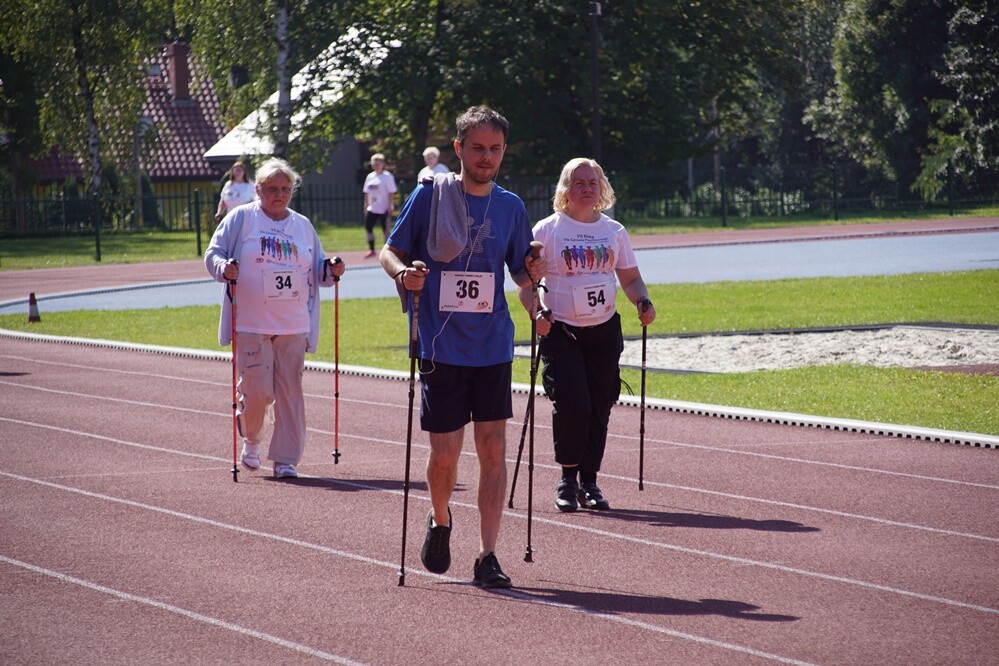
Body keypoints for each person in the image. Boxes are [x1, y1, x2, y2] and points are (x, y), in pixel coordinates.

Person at [379, 106, 547, 589]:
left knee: (493, 447)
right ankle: (440, 518)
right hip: (440, 343)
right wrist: (402, 273)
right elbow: (391, 250)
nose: (486, 157)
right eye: (477, 148)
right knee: (446, 454)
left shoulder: (512, 206)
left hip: (492, 345)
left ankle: (488, 554)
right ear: (458, 149)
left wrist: (534, 290)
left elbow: (519, 270)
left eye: (494, 149)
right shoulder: (430, 196)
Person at [519, 157, 656, 512]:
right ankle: (567, 479)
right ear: (565, 188)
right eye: (578, 182)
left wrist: (643, 300)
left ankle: (589, 481)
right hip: (562, 329)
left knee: (600, 405)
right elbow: (526, 285)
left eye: (591, 183)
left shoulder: (614, 232)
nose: (585, 188)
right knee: (573, 401)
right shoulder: (547, 230)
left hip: (604, 330)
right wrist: (536, 313)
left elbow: (629, 278)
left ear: (601, 189)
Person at [205, 157, 345, 479]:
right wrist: (224, 269)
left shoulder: (302, 225)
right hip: (251, 322)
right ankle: (252, 438)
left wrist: (332, 269)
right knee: (258, 392)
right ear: (258, 190)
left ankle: (286, 460)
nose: (279, 195)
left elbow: (318, 269)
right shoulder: (241, 219)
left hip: (294, 323)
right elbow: (213, 254)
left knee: (289, 393)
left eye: (285, 189)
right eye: (272, 189)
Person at [362, 153, 397, 258]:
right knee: (368, 227)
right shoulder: (370, 177)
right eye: (374, 163)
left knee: (386, 230)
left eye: (378, 163)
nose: (376, 165)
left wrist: (389, 206)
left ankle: (388, 251)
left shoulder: (387, 177)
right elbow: (366, 192)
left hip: (384, 209)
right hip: (372, 208)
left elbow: (391, 193)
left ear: (383, 164)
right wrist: (366, 205)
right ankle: (372, 249)